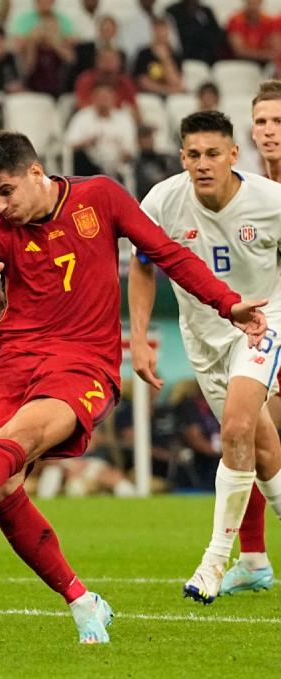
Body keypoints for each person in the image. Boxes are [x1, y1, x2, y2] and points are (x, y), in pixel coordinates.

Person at [0, 130, 267, 642]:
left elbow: (166, 253)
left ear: (36, 174)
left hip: (82, 364)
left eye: (5, 191)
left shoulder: (100, 198)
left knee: (10, 447)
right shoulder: (1, 226)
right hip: (12, 362)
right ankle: (82, 600)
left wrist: (226, 302)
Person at [129, 110, 281, 604]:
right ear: (181, 157)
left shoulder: (270, 202)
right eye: (193, 155)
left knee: (236, 428)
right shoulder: (163, 202)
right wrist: (137, 336)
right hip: (203, 337)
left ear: (233, 155)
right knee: (261, 450)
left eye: (213, 154)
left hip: (261, 321)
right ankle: (254, 562)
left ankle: (213, 562)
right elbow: (142, 266)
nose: (203, 164)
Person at [220, 79, 281, 595]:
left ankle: (254, 557)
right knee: (256, 435)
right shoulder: (253, 186)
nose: (269, 131)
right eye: (262, 121)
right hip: (269, 327)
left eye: (279, 122)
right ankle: (255, 558)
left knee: (257, 435)